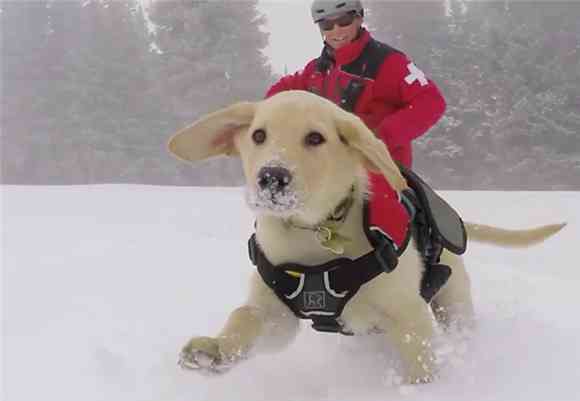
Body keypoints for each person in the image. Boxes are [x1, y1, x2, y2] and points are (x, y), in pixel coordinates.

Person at [265, 0, 446, 250]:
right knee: (277, 197)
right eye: (327, 24)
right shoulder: (318, 69)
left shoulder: (389, 62)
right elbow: (283, 90)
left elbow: (431, 101)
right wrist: (266, 114)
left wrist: (379, 138)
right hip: (331, 164)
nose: (336, 30)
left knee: (378, 205)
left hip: (379, 163)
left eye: (344, 20)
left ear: (359, 18)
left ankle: (394, 262)